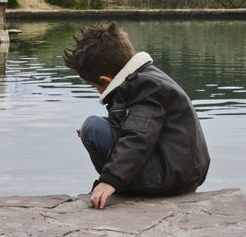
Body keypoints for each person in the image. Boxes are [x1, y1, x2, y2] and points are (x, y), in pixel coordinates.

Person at [64, 23, 210, 209]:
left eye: (95, 87)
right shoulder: (147, 77)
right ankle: (118, 180)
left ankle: (115, 185)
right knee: (96, 126)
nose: (97, 91)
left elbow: (138, 136)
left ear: (105, 80)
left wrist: (110, 180)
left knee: (92, 126)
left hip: (165, 178)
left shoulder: (146, 86)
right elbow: (142, 124)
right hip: (180, 174)